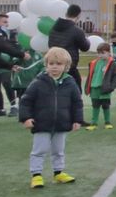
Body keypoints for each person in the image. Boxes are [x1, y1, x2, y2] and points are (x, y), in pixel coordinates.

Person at [21, 47, 83, 188]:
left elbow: (77, 103)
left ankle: (58, 172)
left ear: (66, 66)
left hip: (61, 124)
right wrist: (26, 118)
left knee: (58, 150)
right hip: (41, 124)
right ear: (46, 64)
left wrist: (77, 120)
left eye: (59, 64)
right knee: (39, 150)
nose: (54, 67)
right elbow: (26, 100)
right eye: (51, 63)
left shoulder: (70, 82)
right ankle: (36, 175)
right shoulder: (38, 82)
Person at [0, 13, 29, 117]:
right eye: (4, 22)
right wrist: (21, 54)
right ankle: (0, 107)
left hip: (3, 62)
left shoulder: (4, 32)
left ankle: (11, 106)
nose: (7, 24)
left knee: (6, 83)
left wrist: (10, 66)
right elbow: (3, 46)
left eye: (7, 22)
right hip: (3, 61)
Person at [48, 4, 92, 84]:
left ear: (66, 14)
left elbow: (50, 45)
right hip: (69, 66)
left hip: (53, 65)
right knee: (75, 90)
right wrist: (87, 40)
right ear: (78, 16)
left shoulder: (53, 29)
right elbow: (85, 47)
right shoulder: (77, 31)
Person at [83, 42, 116, 130]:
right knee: (95, 106)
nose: (100, 55)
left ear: (109, 52)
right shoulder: (94, 63)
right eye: (99, 53)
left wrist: (111, 87)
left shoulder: (113, 64)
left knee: (105, 106)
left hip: (105, 88)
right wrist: (87, 87)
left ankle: (107, 122)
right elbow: (90, 76)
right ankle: (94, 123)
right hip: (94, 88)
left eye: (102, 53)